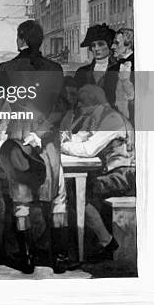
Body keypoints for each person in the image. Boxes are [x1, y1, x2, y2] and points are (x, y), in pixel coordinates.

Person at [0, 19, 72, 274]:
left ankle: (26, 259)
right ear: (41, 40)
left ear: (21, 40)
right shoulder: (55, 68)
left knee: (21, 202)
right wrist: (43, 132)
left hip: (18, 138)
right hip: (47, 141)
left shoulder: (6, 68)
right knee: (58, 199)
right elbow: (63, 107)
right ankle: (59, 259)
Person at [61, 84, 135, 262]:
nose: (78, 107)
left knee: (79, 193)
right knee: (73, 190)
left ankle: (107, 242)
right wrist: (68, 139)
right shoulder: (97, 116)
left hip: (125, 173)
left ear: (92, 103)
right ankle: (95, 243)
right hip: (112, 171)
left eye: (81, 104)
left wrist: (62, 146)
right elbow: (80, 138)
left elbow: (88, 150)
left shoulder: (111, 119)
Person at [75, 24, 119, 106]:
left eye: (101, 44)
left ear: (109, 45)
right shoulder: (82, 72)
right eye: (93, 45)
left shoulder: (118, 69)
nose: (96, 48)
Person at [111, 28, 135, 122]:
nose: (112, 46)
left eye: (117, 43)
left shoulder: (138, 65)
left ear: (128, 44)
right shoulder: (113, 68)